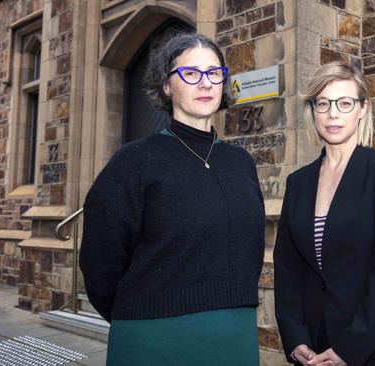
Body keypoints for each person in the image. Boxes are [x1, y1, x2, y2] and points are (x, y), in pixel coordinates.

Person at [79, 31, 265, 365]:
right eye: (190, 74)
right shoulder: (133, 162)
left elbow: (249, 252)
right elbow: (100, 263)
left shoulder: (241, 163)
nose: (205, 83)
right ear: (166, 85)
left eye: (214, 73)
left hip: (235, 336)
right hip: (153, 339)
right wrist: (140, 312)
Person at [274, 61, 375, 366]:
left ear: (362, 108)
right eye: (323, 103)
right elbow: (288, 268)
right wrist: (295, 336)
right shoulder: (298, 183)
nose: (333, 113)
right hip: (314, 347)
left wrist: (348, 349)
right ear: (312, 109)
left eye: (344, 102)